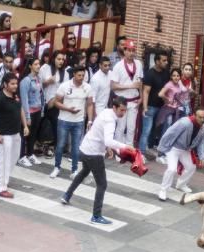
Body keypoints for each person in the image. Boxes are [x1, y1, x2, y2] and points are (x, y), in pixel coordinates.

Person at [60, 97, 135, 225]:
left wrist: (108, 148)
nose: (123, 113)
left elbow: (100, 133)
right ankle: (96, 215)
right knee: (102, 184)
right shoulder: (110, 120)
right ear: (115, 108)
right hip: (93, 153)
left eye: (125, 110)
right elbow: (108, 140)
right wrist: (125, 146)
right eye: (121, 110)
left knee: (84, 172)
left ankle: (67, 195)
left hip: (85, 148)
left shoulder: (106, 112)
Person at [0, 73, 28, 199]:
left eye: (16, 83)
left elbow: (20, 109)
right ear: (5, 84)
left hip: (15, 133)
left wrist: (25, 125)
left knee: (14, 158)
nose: (15, 86)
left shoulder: (15, 96)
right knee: (3, 160)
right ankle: (0, 187)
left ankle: (0, 177)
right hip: (4, 135)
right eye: (12, 84)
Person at [51, 65, 94, 178]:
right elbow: (56, 102)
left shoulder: (88, 87)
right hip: (64, 120)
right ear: (74, 75)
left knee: (76, 147)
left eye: (83, 76)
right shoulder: (64, 86)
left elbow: (89, 104)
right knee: (60, 145)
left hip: (79, 121)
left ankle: (74, 170)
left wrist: (89, 121)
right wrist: (68, 109)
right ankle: (57, 167)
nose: (81, 78)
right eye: (79, 75)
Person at [157, 108, 204, 201]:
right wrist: (162, 149)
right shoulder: (184, 123)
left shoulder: (203, 127)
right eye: (200, 117)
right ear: (194, 116)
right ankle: (163, 189)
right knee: (172, 169)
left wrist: (202, 156)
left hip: (185, 150)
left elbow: (202, 142)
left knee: (191, 167)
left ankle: (181, 184)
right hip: (174, 148)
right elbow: (169, 133)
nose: (202, 120)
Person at [109, 39, 143, 146]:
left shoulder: (138, 64)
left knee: (132, 128)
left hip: (134, 100)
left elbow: (140, 82)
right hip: (122, 101)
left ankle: (129, 150)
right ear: (124, 51)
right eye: (129, 50)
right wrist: (130, 86)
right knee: (120, 127)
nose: (131, 53)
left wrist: (141, 97)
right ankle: (119, 150)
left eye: (133, 50)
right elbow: (113, 86)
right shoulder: (118, 66)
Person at [139, 49, 170, 155]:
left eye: (166, 60)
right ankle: (141, 153)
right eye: (164, 60)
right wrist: (145, 107)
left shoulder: (166, 73)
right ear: (157, 61)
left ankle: (150, 148)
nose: (166, 62)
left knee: (154, 131)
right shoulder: (150, 74)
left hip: (161, 107)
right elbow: (146, 91)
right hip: (151, 107)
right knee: (146, 131)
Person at [19, 57, 45, 167]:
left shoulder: (38, 79)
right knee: (25, 134)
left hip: (38, 110)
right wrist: (27, 116)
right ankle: (21, 156)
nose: (38, 66)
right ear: (30, 66)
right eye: (35, 64)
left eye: (39, 64)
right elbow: (24, 100)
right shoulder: (26, 81)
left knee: (33, 134)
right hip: (29, 111)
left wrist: (42, 109)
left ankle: (30, 153)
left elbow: (41, 95)